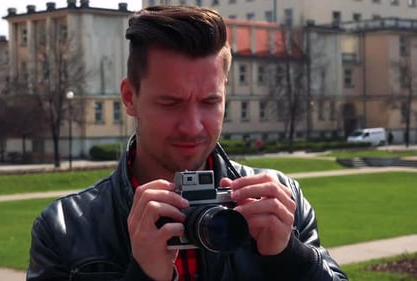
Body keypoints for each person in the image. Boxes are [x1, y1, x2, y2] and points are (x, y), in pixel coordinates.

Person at [27, 5, 348, 281]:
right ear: (129, 98)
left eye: (210, 102)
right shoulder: (64, 229)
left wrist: (289, 256)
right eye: (170, 103)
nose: (193, 126)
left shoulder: (280, 200)